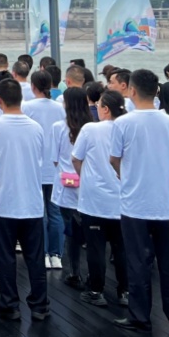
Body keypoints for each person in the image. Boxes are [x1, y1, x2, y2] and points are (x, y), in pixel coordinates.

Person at [111, 69, 169, 334]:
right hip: (164, 203)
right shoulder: (168, 122)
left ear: (131, 90)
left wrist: (127, 176)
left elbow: (114, 159)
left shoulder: (123, 123)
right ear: (156, 90)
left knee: (138, 263)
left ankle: (140, 316)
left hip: (135, 204)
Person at [0, 79, 50, 322]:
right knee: (35, 257)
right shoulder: (36, 127)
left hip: (3, 202)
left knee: (5, 256)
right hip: (31, 201)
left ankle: (9, 303)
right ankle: (40, 305)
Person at [72, 91, 129, 307]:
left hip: (94, 199)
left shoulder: (90, 129)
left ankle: (96, 290)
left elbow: (76, 158)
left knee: (96, 248)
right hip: (122, 198)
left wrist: (86, 177)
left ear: (105, 109)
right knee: (122, 248)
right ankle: (126, 291)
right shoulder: (127, 129)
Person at [22, 71, 66, 270]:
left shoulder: (26, 107)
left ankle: (44, 253)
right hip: (56, 166)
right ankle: (56, 254)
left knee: (40, 213)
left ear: (33, 87)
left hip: (34, 166)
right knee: (55, 212)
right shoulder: (60, 108)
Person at [52, 87, 92, 290]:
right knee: (92, 232)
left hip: (65, 185)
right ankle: (93, 273)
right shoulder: (92, 126)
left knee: (70, 232)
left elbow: (54, 158)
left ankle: (74, 272)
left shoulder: (59, 127)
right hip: (88, 184)